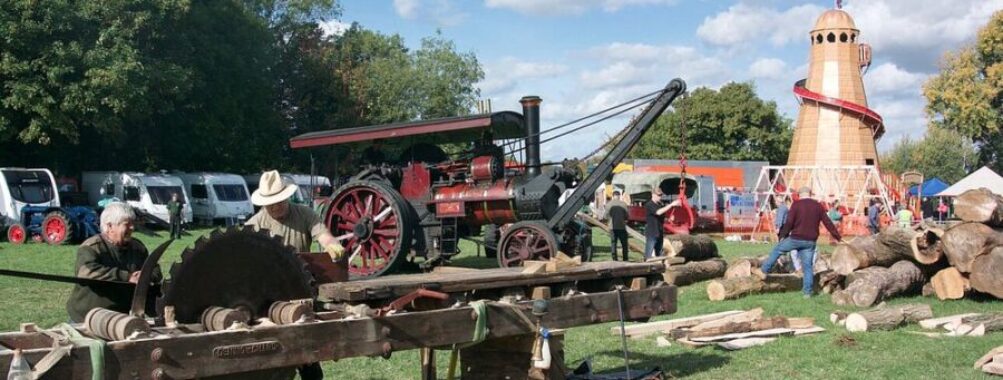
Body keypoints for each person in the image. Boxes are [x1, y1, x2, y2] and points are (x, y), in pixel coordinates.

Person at [245, 170, 345, 380]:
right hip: (267, 298)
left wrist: (332, 245)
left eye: (280, 201)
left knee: (308, 353)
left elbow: (323, 234)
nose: (276, 206)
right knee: (273, 352)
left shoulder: (304, 214)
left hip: (302, 291)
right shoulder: (254, 225)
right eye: (271, 203)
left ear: (287, 196)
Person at [66, 202, 162, 322]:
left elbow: (155, 269)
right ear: (110, 226)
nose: (132, 228)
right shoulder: (91, 247)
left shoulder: (137, 247)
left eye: (133, 224)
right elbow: (86, 272)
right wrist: (127, 277)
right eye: (127, 224)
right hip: (87, 317)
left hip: (121, 317)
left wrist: (146, 276)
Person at [756, 187, 842, 298]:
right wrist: (838, 237)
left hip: (795, 239)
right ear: (810, 194)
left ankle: (764, 270)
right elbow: (828, 222)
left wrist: (782, 236)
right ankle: (807, 293)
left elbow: (789, 222)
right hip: (810, 241)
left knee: (778, 249)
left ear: (799, 195)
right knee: (807, 267)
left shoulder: (796, 205)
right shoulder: (818, 206)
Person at [643, 187, 680, 260]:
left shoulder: (660, 204)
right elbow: (658, 212)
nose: (660, 197)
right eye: (658, 195)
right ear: (653, 195)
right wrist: (671, 205)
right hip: (652, 233)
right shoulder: (649, 204)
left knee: (659, 254)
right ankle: (645, 267)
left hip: (659, 232)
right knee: (648, 254)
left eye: (660, 195)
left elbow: (661, 218)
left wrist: (668, 219)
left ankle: (658, 268)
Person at [774, 196, 801, 272]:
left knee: (781, 243)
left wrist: (778, 227)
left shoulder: (781, 208)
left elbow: (780, 218)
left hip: (783, 228)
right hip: (786, 228)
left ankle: (781, 260)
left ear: (778, 202)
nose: (775, 203)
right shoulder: (785, 207)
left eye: (776, 201)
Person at [605, 191, 630, 261]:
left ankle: (614, 259)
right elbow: (627, 216)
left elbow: (605, 216)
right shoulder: (624, 204)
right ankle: (625, 258)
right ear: (620, 196)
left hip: (612, 227)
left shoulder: (608, 204)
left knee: (613, 243)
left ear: (613, 196)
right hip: (621, 227)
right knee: (624, 244)